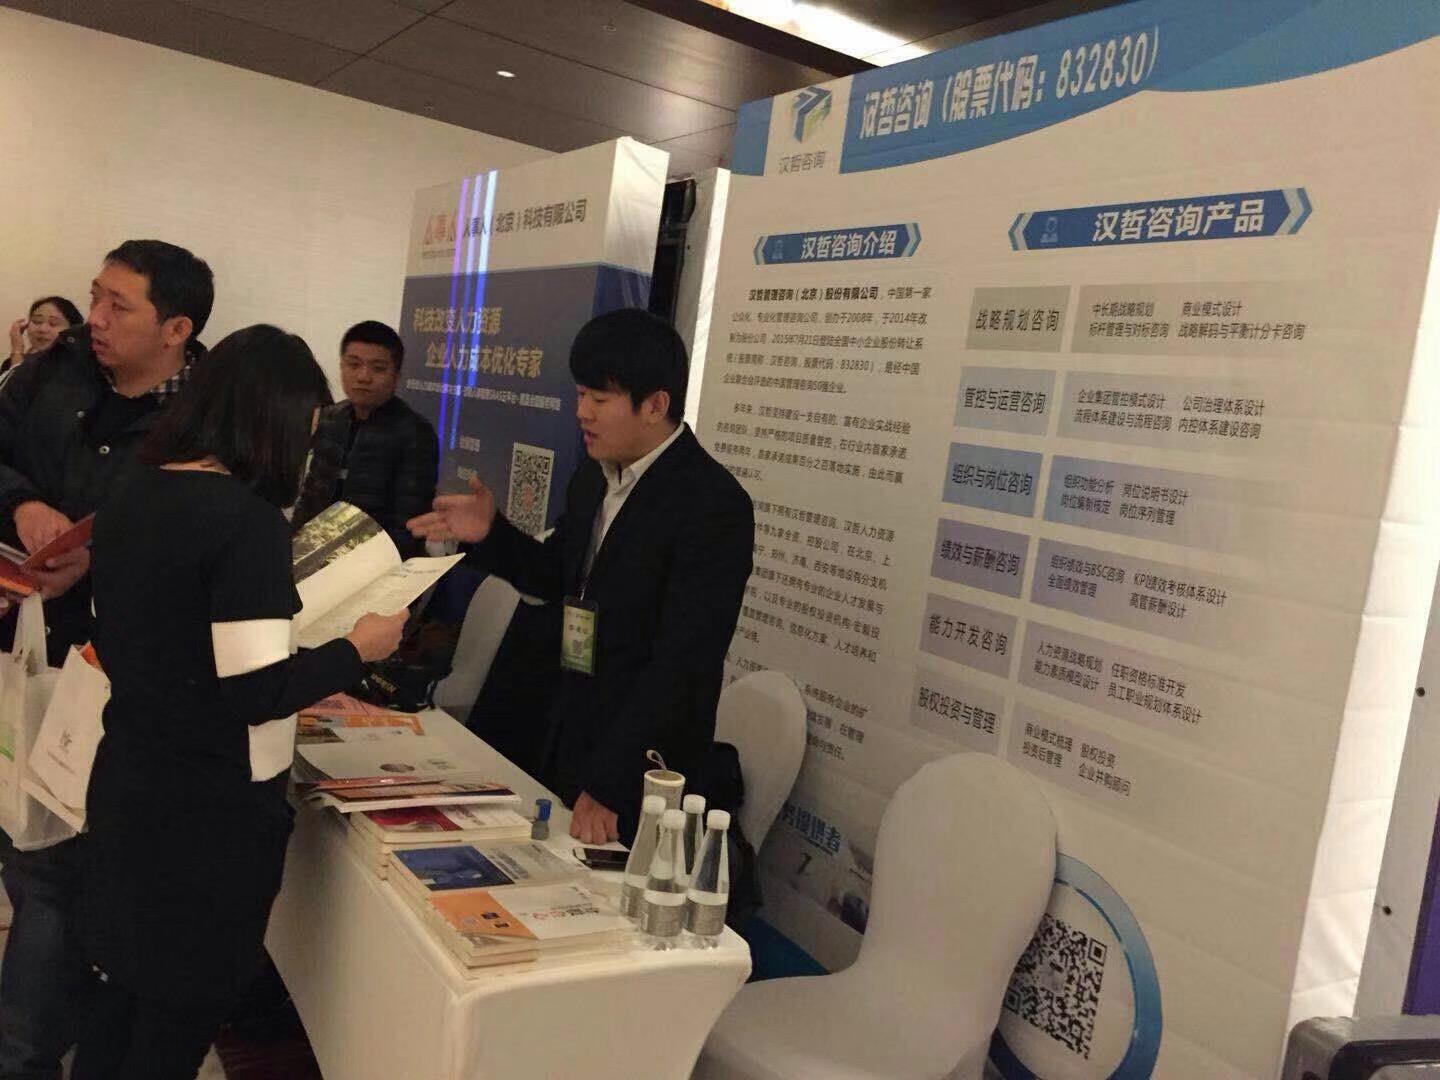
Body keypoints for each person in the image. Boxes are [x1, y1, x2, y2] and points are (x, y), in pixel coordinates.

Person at [73, 325, 408, 1078]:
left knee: (120, 1002)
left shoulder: (132, 491)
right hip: (209, 818)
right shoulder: (245, 521)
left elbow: (139, 639)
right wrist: (358, 648)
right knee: (174, 1025)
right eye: (307, 433)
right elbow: (257, 691)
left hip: (130, 784)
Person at [409, 308, 754, 845]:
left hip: (639, 765)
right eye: (579, 395)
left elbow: (683, 664)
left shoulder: (712, 505)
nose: (582, 413)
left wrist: (614, 782)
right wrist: (492, 534)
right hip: (573, 722)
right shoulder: (592, 478)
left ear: (655, 405)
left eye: (599, 399)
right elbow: (558, 578)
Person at [0, 240, 213, 1079]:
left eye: (118, 306)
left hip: (113, 678)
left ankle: (30, 1052)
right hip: (19, 650)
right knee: (29, 856)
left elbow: (202, 553)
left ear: (176, 329)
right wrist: (22, 505)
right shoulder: (51, 373)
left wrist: (102, 559)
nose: (94, 318)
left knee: (59, 870)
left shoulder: (204, 420)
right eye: (95, 296)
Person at [291, 320, 438, 558]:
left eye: (378, 368)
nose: (363, 376)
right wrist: (292, 548)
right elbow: (311, 497)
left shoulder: (415, 433)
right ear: (342, 366)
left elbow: (409, 525)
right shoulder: (331, 419)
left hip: (378, 562)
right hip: (317, 556)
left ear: (396, 376)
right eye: (354, 364)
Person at [4, 296, 83, 386]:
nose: (42, 329)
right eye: (37, 321)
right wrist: (17, 351)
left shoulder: (77, 368)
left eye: (53, 323)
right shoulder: (11, 362)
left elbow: (19, 390)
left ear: (73, 330)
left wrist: (17, 351)